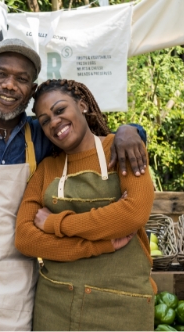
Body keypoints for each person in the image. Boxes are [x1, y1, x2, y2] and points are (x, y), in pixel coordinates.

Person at [0, 38, 147, 331]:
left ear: (31, 91)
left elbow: (88, 135)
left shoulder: (44, 136)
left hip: (20, 297)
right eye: (0, 74)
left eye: (21, 79)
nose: (9, 85)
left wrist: (130, 130)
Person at [14, 79, 156, 331]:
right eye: (45, 120)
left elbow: (133, 213)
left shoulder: (122, 148)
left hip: (121, 306)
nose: (54, 122)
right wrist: (98, 245)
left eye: (60, 110)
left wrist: (55, 223)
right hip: (56, 305)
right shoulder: (47, 169)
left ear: (83, 105)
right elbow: (26, 239)